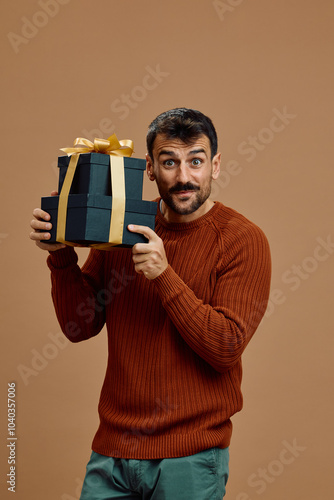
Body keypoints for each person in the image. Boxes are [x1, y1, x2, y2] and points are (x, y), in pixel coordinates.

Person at [30, 108, 271, 499]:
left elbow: (225, 348)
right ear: (149, 168)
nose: (183, 177)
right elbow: (79, 327)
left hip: (190, 457)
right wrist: (61, 255)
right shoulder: (123, 225)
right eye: (169, 162)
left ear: (215, 165)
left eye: (196, 161)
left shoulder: (242, 239)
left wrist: (163, 275)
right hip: (112, 452)